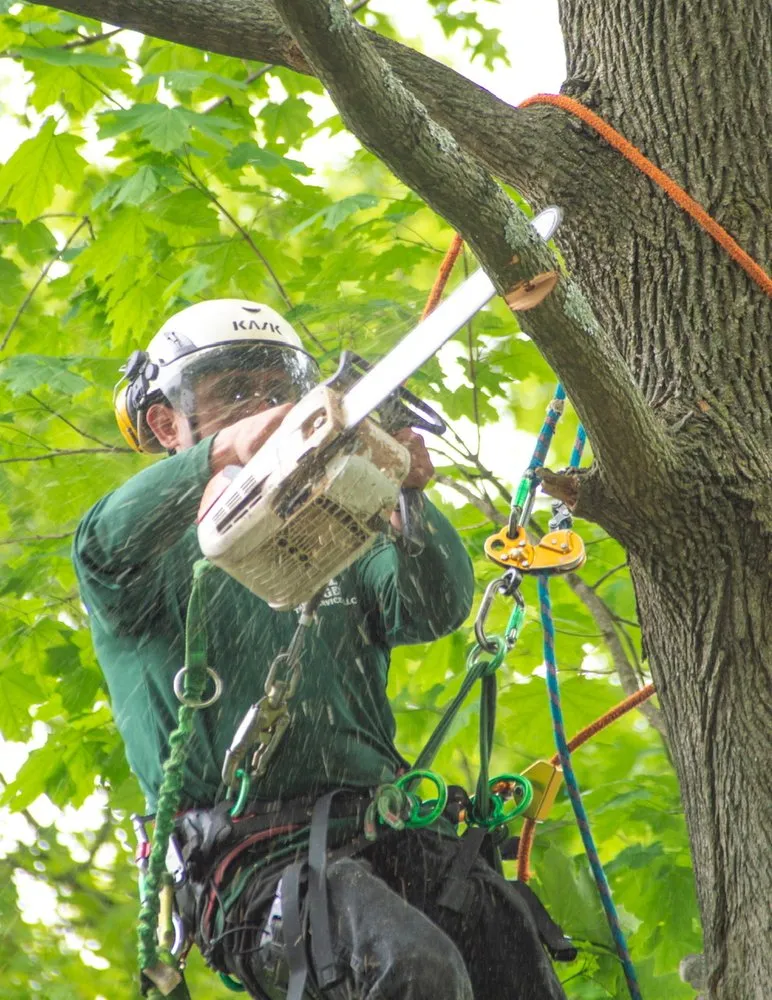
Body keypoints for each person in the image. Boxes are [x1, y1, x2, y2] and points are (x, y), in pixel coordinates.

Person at [74, 299, 568, 1000]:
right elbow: (103, 538)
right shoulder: (143, 561)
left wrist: (404, 499)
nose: (264, 407)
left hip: (386, 836)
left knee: (511, 962)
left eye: (280, 391)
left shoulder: (334, 527)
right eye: (233, 394)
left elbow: (432, 607)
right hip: (254, 867)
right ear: (165, 422)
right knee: (413, 971)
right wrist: (230, 447)